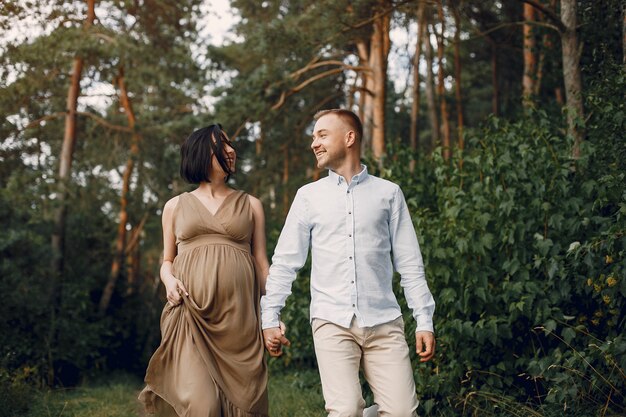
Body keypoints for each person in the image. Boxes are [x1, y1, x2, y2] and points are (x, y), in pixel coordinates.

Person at [261, 109, 436, 417]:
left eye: (322, 135)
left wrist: (424, 319)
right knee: (345, 410)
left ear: (350, 137)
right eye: (314, 136)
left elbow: (410, 263)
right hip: (331, 320)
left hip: (384, 320)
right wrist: (270, 317)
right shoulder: (308, 197)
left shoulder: (389, 194)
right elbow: (285, 262)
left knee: (403, 414)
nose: (314, 143)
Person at [139, 124, 270, 417]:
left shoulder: (251, 205)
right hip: (190, 315)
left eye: (230, 144)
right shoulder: (174, 206)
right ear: (201, 154)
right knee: (203, 406)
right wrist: (169, 280)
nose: (231, 150)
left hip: (240, 321)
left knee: (243, 407)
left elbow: (262, 264)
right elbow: (166, 260)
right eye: (221, 145)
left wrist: (273, 315)